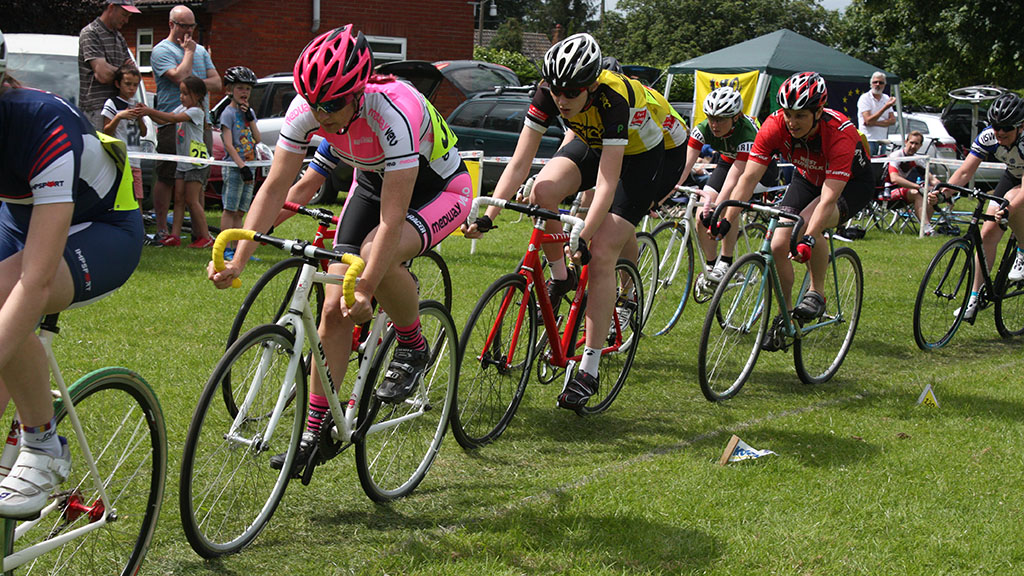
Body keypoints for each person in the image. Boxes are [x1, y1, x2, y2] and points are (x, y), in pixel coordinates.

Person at [207, 25, 472, 472]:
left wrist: (366, 287)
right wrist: (240, 256)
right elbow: (276, 188)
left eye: (331, 106)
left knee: (373, 257)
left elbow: (392, 220)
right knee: (331, 309)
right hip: (370, 184)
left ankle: (411, 343)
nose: (321, 116)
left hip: (439, 190)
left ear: (358, 91)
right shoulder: (307, 109)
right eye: (314, 105)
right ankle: (315, 427)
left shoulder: (394, 112)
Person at [463, 33, 679, 410]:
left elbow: (609, 182)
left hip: (649, 156)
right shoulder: (550, 93)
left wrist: (585, 236)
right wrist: (489, 215)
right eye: (556, 90)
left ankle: (589, 369)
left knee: (602, 251)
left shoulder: (615, 99)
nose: (561, 99)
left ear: (592, 85)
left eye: (571, 92)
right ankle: (561, 275)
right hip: (596, 142)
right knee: (542, 192)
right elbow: (519, 162)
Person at [0, 30, 144, 517]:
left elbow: (34, 282)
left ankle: (43, 447)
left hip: (103, 229)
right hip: (20, 221)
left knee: (9, 295)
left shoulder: (41, 120)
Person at [713, 72, 873, 344]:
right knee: (777, 245)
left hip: (850, 185)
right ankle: (785, 316)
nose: (792, 121)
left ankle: (816, 293)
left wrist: (808, 238)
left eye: (800, 115)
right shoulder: (775, 126)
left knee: (804, 228)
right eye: (788, 113)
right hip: (807, 177)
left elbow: (828, 199)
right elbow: (748, 177)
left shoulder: (839, 134)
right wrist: (728, 218)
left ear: (818, 112)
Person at [929, 92, 1024, 322]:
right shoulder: (989, 136)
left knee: (1011, 201)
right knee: (988, 231)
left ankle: (1022, 251)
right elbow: (964, 171)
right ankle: (973, 297)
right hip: (1013, 174)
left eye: (1006, 128)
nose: (999, 132)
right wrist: (945, 192)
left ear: (1020, 127)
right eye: (995, 126)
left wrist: (1008, 209)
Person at [676, 86, 766, 286]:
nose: (714, 124)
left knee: (727, 205)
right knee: (701, 213)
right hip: (728, 161)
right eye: (711, 118)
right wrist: (669, 190)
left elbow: (734, 181)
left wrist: (717, 209)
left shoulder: (747, 133)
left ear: (735, 117)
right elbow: (685, 167)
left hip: (757, 168)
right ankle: (711, 265)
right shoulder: (702, 129)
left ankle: (726, 261)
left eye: (721, 119)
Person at [150, 5, 221, 245]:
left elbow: (216, 82)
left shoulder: (200, 50)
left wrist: (193, 82)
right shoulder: (162, 50)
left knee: (196, 181)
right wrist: (188, 54)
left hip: (202, 124)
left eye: (192, 26)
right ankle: (163, 229)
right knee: (168, 176)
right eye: (184, 26)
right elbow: (179, 76)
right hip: (173, 123)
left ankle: (198, 232)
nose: (189, 31)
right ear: (171, 25)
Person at [140, 76, 215, 248]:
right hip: (183, 162)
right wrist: (145, 113)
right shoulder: (184, 107)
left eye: (185, 94)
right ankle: (174, 235)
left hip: (195, 163)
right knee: (179, 199)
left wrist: (149, 111)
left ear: (197, 96)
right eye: (180, 93)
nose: (181, 97)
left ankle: (205, 236)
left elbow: (173, 119)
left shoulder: (196, 111)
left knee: (191, 200)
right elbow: (164, 120)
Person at [218, 66, 262, 260]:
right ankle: (225, 247)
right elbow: (228, 144)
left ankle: (237, 249)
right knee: (230, 208)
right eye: (240, 88)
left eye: (248, 89)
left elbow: (258, 138)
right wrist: (240, 166)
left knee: (241, 211)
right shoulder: (227, 113)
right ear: (230, 90)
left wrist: (250, 118)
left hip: (249, 165)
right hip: (235, 167)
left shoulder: (248, 112)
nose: (244, 93)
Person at [78, 0, 140, 131]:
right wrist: (123, 71)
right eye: (124, 15)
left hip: (120, 108)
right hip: (97, 109)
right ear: (111, 8)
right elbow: (103, 75)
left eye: (129, 16)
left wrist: (114, 69)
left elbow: (133, 72)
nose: (126, 20)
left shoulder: (119, 37)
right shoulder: (91, 33)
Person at [102, 63, 148, 213]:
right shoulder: (112, 103)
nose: (132, 89)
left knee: (137, 196)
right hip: (120, 158)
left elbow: (143, 132)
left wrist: (140, 116)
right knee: (120, 196)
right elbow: (106, 131)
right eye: (128, 84)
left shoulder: (137, 104)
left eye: (135, 85)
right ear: (118, 84)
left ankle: (139, 231)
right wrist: (119, 116)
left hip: (136, 158)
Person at [885, 130, 940, 234]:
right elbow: (894, 178)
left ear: (920, 146)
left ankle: (926, 227)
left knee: (931, 193)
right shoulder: (896, 155)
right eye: (911, 142)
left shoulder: (917, 159)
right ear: (906, 142)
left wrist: (942, 188)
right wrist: (917, 187)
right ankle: (927, 230)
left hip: (903, 191)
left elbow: (931, 179)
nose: (913, 146)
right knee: (917, 193)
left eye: (916, 144)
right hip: (887, 191)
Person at [857, 71, 897, 155]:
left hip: (882, 141)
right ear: (871, 84)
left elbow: (893, 121)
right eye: (875, 82)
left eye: (881, 82)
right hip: (868, 140)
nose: (878, 84)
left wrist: (874, 122)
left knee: (880, 166)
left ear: (884, 85)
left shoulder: (886, 98)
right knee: (868, 166)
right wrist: (885, 107)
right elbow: (868, 120)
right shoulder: (865, 98)